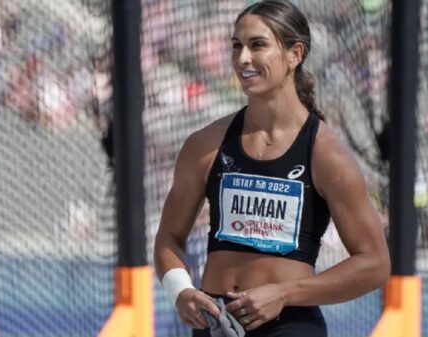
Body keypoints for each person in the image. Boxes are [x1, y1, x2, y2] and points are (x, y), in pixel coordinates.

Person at [153, 1, 391, 336]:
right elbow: (169, 238)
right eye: (237, 46)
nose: (243, 58)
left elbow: (375, 264)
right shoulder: (203, 145)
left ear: (295, 54)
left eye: (258, 45)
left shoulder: (326, 154)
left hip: (289, 325)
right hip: (214, 324)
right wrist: (180, 291)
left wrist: (284, 293)